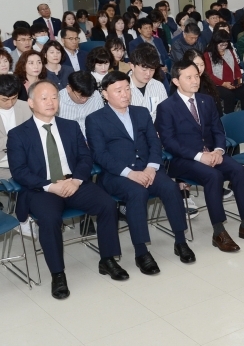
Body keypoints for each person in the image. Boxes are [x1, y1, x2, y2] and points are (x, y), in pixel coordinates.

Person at [8, 80, 126, 300]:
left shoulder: (70, 126)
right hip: (41, 189)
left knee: (108, 205)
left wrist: (77, 181)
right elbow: (20, 171)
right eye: (44, 98)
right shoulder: (18, 134)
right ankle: (58, 273)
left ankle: (107, 259)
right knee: (50, 218)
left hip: (74, 183)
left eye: (54, 97)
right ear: (31, 103)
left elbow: (85, 157)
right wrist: (52, 186)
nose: (51, 102)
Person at [87, 71, 196, 270]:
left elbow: (155, 143)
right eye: (118, 91)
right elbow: (100, 155)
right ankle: (141, 252)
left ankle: (180, 241)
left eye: (127, 89)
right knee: (137, 192)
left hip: (147, 169)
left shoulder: (141, 112)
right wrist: (130, 173)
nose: (125, 94)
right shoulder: (95, 119)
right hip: (116, 175)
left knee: (171, 188)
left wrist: (152, 168)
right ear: (105, 94)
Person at [155, 60, 244, 252]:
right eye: (188, 77)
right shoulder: (166, 107)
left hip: (211, 154)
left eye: (196, 76)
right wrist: (199, 156)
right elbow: (169, 142)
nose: (194, 80)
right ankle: (219, 231)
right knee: (213, 176)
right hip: (182, 160)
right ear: (175, 81)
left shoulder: (206, 101)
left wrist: (219, 150)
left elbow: (218, 130)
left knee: (239, 171)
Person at [204, 30, 244, 114]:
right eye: (221, 45)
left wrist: (237, 81)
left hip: (232, 82)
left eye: (226, 44)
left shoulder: (229, 51)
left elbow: (236, 69)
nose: (223, 47)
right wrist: (223, 84)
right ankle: (228, 117)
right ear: (215, 43)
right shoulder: (208, 54)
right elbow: (209, 74)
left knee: (243, 91)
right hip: (218, 84)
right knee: (229, 95)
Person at [0, 75, 33, 179]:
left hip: (25, 158)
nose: (10, 103)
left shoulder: (26, 107)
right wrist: (16, 138)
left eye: (14, 98)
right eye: (5, 99)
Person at [57, 70, 104, 136]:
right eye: (81, 96)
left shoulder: (95, 95)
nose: (84, 100)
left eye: (88, 96)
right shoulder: (58, 100)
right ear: (69, 88)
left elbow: (101, 122)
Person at [128, 45, 169, 120]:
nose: (148, 74)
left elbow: (165, 114)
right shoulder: (122, 88)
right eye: (144, 69)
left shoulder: (158, 86)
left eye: (152, 69)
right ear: (132, 66)